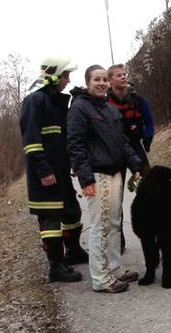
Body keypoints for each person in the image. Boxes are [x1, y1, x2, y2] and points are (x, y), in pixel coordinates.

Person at [67, 64, 143, 293]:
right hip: (96, 174)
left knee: (114, 222)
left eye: (103, 80)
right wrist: (85, 178)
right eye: (96, 80)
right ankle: (101, 278)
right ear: (88, 83)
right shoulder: (80, 107)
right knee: (100, 225)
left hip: (116, 173)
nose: (101, 83)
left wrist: (135, 164)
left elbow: (122, 141)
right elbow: (75, 144)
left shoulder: (110, 109)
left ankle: (115, 268)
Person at [19, 53, 89, 283]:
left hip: (60, 172)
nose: (68, 80)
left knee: (72, 213)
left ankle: (73, 251)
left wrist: (72, 162)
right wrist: (44, 170)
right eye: (65, 75)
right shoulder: (35, 101)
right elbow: (31, 140)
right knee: (50, 222)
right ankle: (56, 268)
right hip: (45, 176)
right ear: (54, 75)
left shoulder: (57, 101)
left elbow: (62, 138)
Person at [107, 64, 155, 254]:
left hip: (136, 149)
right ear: (110, 80)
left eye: (124, 74)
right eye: (118, 75)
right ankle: (119, 239)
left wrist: (148, 141)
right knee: (115, 196)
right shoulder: (105, 103)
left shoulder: (139, 100)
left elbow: (149, 122)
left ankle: (154, 229)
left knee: (150, 190)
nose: (123, 77)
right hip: (115, 151)